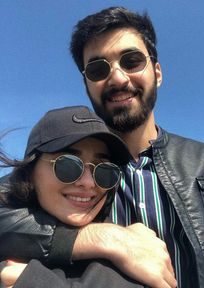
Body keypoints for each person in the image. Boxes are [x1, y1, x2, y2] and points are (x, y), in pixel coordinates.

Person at [0, 6, 204, 288]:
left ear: (157, 72)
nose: (118, 78)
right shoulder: (72, 169)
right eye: (98, 69)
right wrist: (105, 238)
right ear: (87, 83)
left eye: (132, 61)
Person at [0, 105, 155, 288]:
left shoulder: (133, 258)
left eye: (104, 170)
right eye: (67, 165)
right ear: (30, 173)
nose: (88, 182)